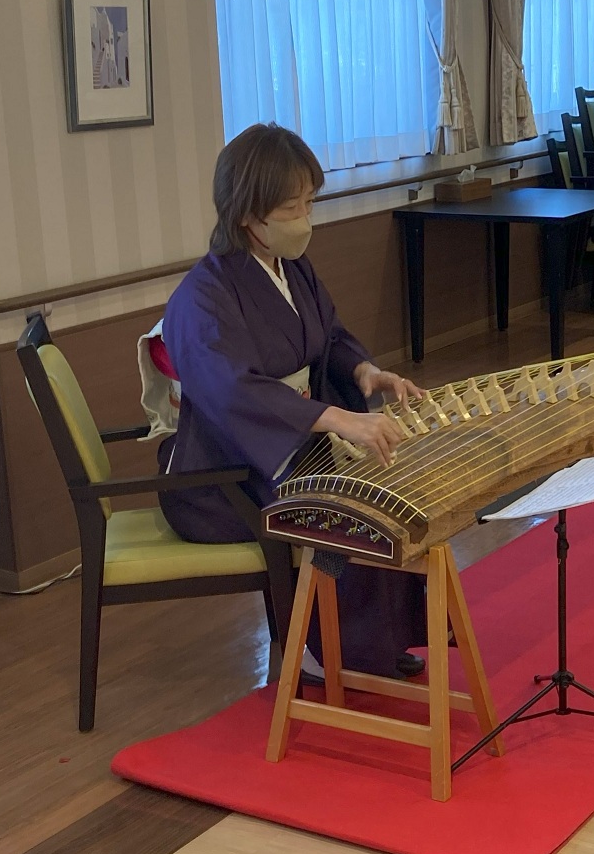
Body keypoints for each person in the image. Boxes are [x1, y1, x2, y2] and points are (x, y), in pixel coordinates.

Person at [158, 122, 427, 680]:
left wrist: (365, 371)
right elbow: (233, 392)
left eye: (309, 202)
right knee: (343, 503)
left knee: (382, 479)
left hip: (288, 442)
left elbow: (327, 336)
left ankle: (375, 643)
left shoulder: (291, 266)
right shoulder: (200, 299)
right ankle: (319, 647)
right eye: (291, 207)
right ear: (247, 215)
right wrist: (335, 418)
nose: (305, 218)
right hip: (226, 472)